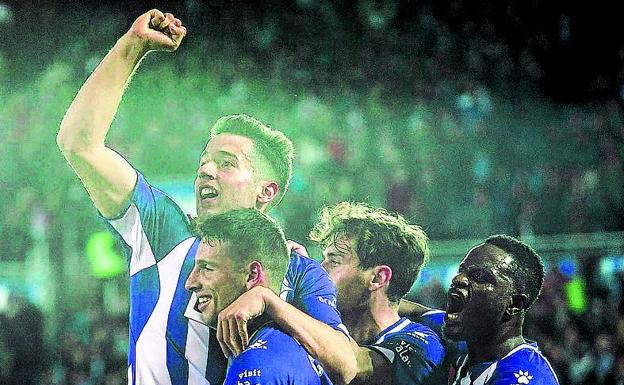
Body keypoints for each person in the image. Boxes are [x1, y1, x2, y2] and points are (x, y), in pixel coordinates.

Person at [57, 9, 345, 385]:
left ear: (266, 191)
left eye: (226, 163)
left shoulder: (298, 271)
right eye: (204, 162)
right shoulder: (163, 230)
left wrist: (268, 301)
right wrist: (132, 46)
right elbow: (78, 144)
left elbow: (346, 362)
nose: (206, 171)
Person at [217, 202, 445, 385]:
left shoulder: (422, 344)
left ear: (377, 278)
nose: (320, 269)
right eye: (322, 258)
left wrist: (268, 299)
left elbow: (351, 366)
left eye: (334, 260)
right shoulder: (324, 325)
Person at [185, 208, 334, 385]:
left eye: (207, 268)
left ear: (252, 275)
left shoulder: (253, 366)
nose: (190, 283)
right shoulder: (290, 343)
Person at [442, 235, 559, 384]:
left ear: (514, 304)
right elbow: (412, 310)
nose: (458, 279)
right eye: (462, 271)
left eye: (479, 276)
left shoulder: (520, 376)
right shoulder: (473, 344)